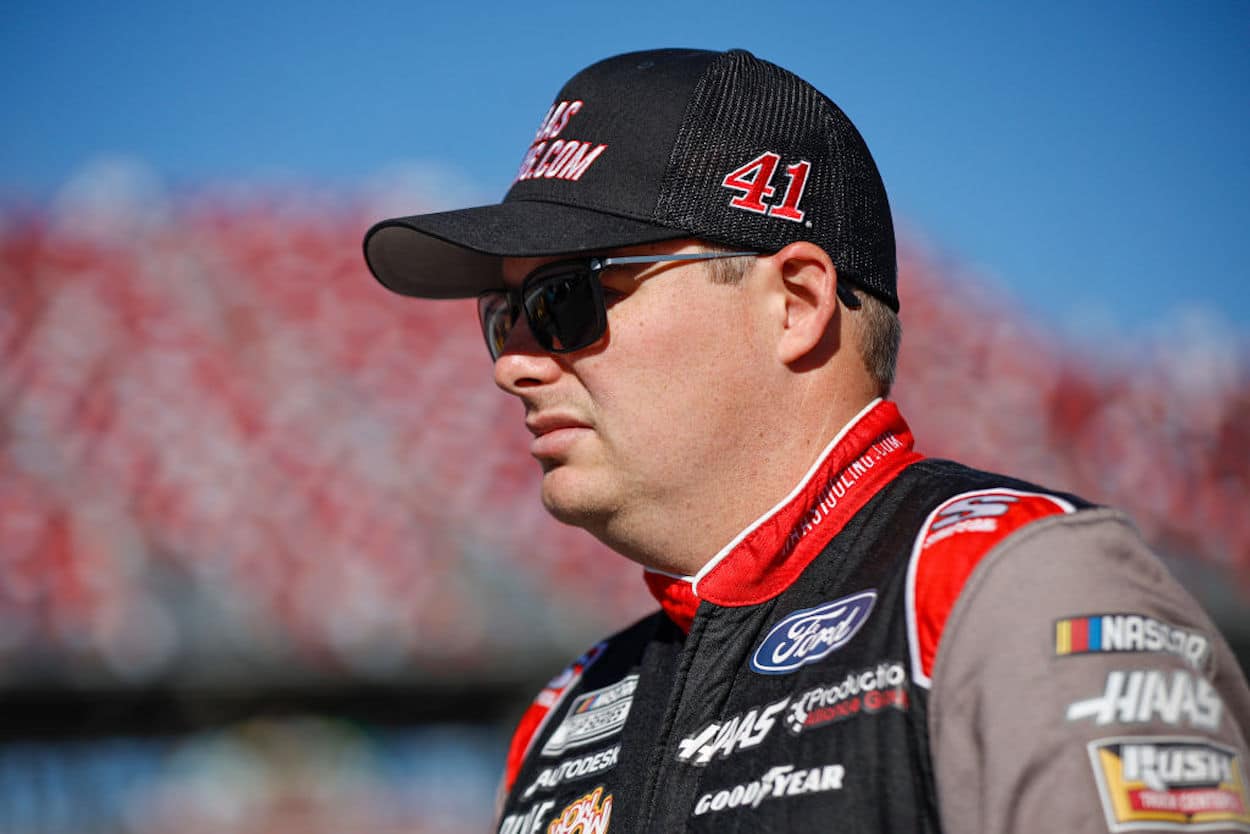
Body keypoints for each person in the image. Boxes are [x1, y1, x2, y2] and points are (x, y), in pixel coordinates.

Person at [363, 48, 1250, 834]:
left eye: (564, 300)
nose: (513, 364)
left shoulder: (1007, 588)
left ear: (795, 302)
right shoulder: (563, 718)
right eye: (504, 316)